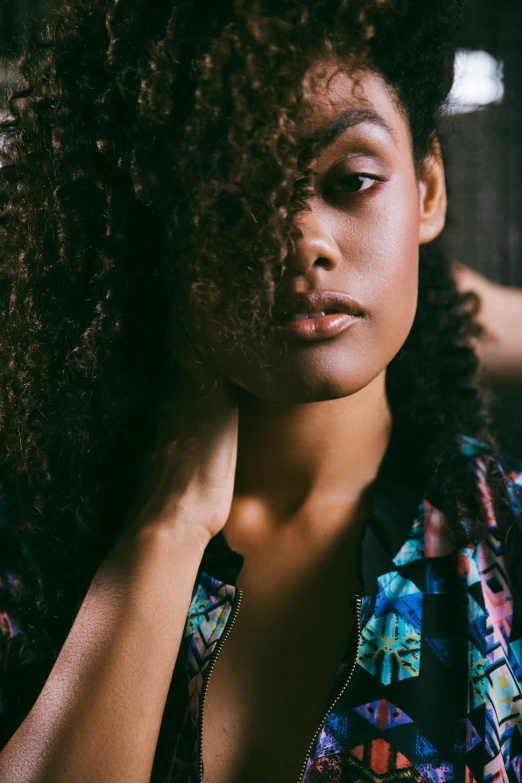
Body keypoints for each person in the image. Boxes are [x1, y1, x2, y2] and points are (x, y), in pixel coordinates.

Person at [0, 1, 521, 782]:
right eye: (236, 199)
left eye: (351, 180)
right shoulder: (37, 541)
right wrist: (168, 526)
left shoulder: (504, 547)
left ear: (428, 189)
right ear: (162, 229)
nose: (301, 240)